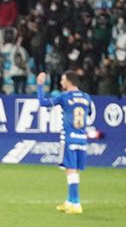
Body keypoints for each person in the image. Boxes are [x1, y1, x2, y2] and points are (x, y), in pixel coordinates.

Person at [35, 70, 92, 215]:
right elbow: (90, 113)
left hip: (69, 138)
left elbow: (43, 103)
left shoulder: (64, 96)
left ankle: (76, 203)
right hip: (82, 138)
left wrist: (40, 86)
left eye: (62, 80)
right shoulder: (86, 97)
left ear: (69, 81)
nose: (61, 82)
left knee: (71, 169)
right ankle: (69, 201)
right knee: (72, 169)